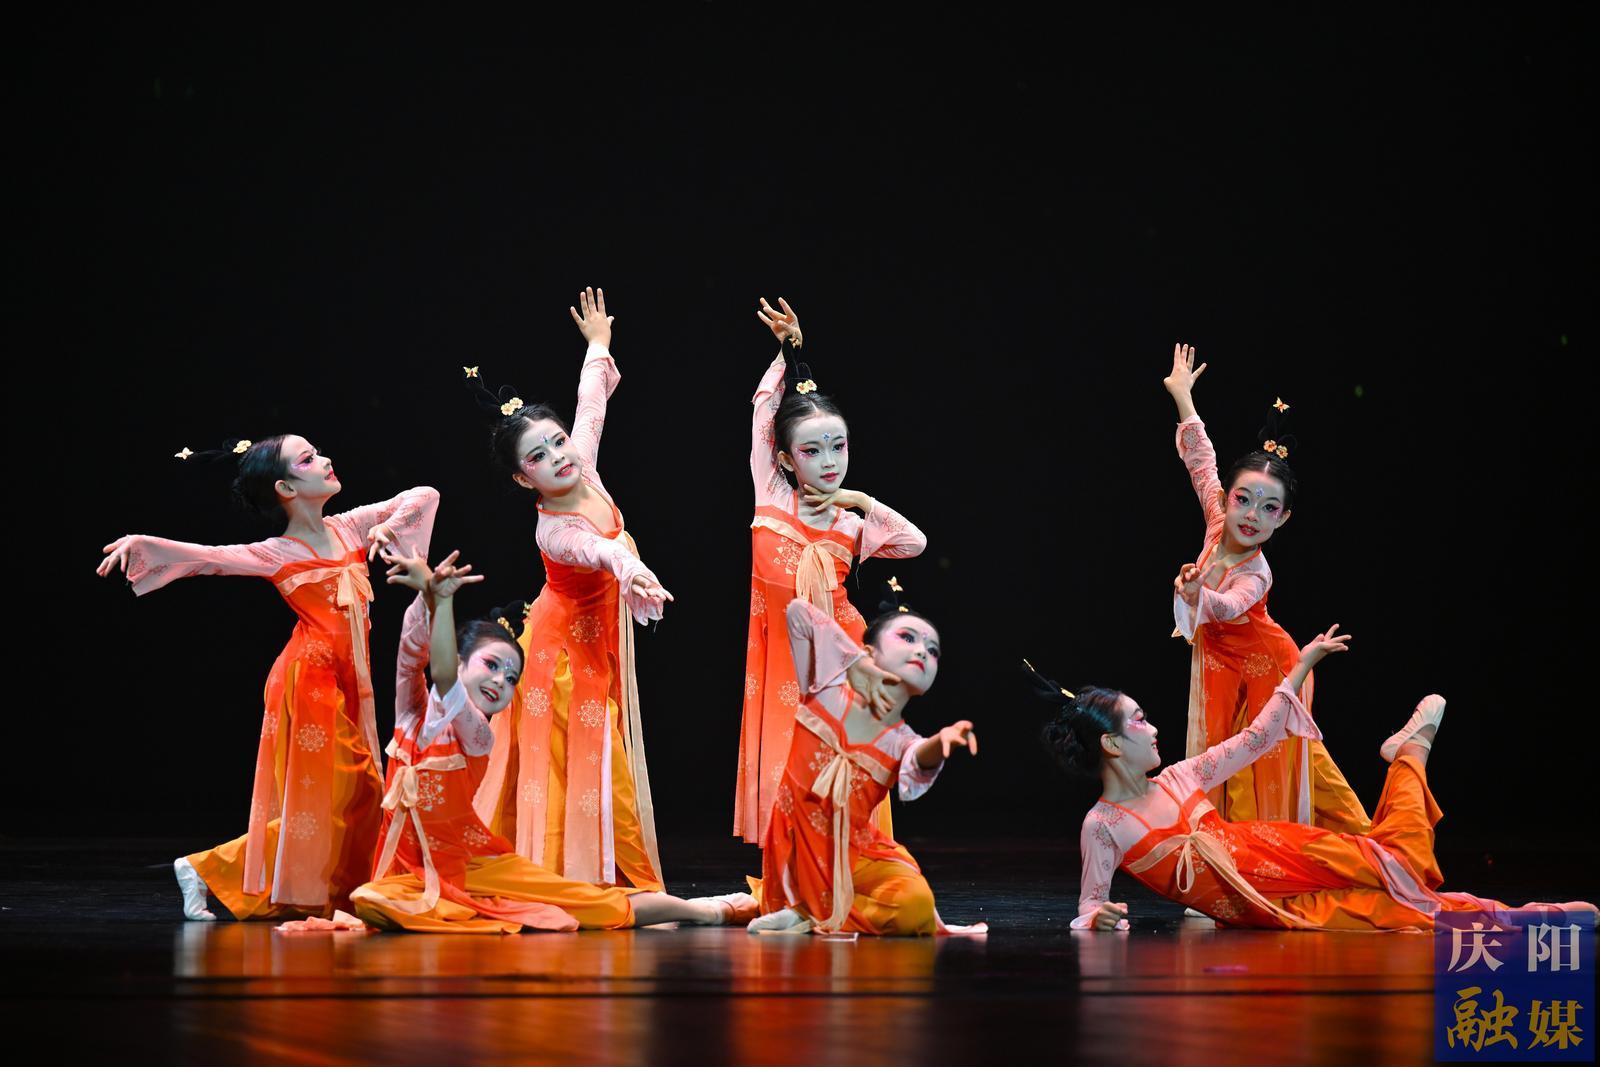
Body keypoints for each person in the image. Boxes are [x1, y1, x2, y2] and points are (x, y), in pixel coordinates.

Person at [97, 435, 437, 919]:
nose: (325, 459)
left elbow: (425, 495)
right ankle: (207, 868)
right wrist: (143, 544)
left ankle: (339, 888)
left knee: (357, 796)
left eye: (319, 452)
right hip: (309, 681)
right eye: (309, 459)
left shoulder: (351, 528)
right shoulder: (277, 552)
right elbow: (209, 557)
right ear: (286, 488)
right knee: (343, 792)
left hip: (347, 680)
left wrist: (390, 528)